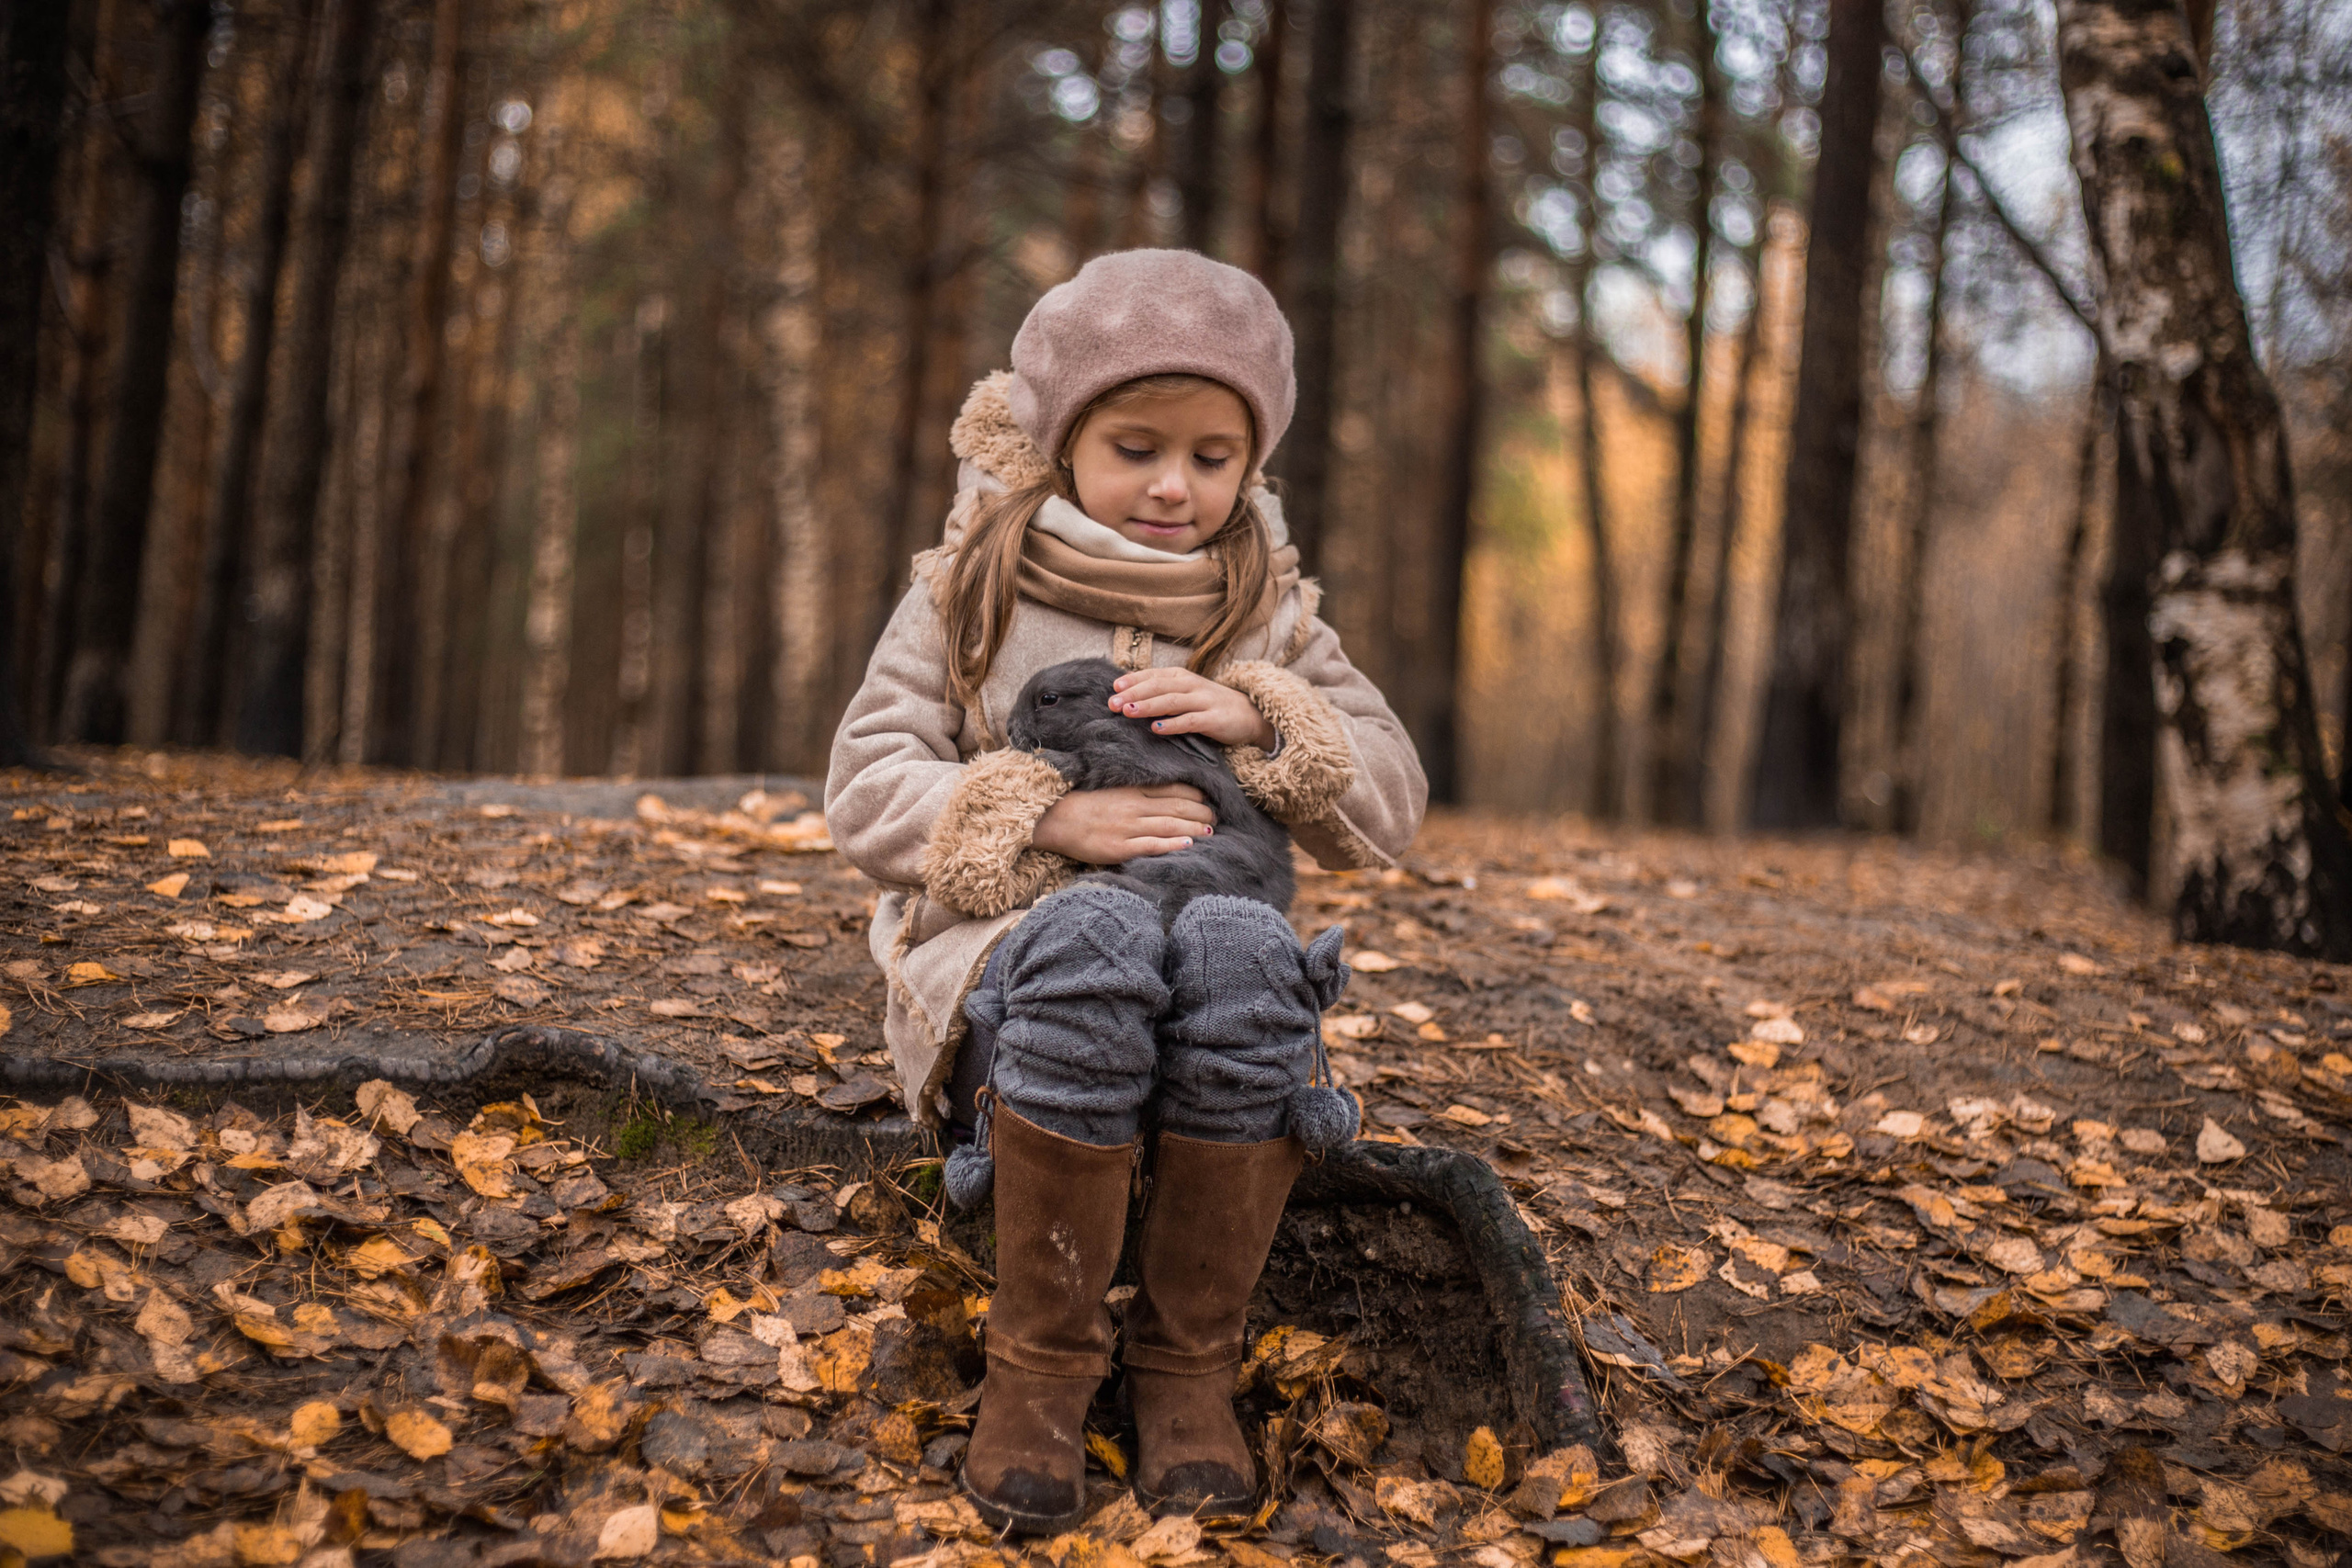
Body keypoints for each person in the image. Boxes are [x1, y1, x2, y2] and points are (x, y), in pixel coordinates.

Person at [824, 249, 1426, 1534]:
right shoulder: (973, 585)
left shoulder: (1268, 609)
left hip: (1210, 996)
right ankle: (1039, 1370)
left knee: (1242, 948)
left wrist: (1264, 713)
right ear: (1062, 443)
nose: (1174, 485)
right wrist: (1041, 815)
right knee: (1094, 932)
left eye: (1214, 457)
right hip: (1016, 976)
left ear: (1252, 462)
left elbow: (1390, 802)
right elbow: (865, 786)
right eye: (1137, 448)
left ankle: (1186, 1365)